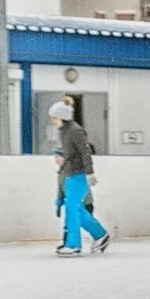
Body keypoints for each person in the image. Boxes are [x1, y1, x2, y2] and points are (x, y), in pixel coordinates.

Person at [50, 98, 110, 257]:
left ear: (62, 117)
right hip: (70, 173)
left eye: (55, 117)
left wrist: (90, 173)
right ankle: (100, 234)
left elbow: (85, 152)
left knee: (72, 207)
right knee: (76, 209)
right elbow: (67, 155)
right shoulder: (63, 132)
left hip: (79, 174)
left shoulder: (76, 131)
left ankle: (73, 245)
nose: (53, 120)